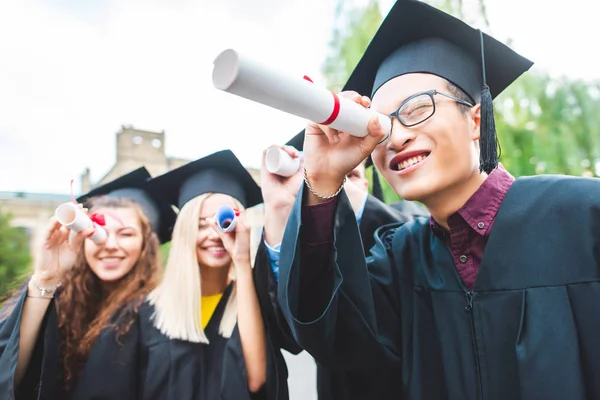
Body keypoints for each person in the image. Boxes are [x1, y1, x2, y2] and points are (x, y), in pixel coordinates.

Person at [276, 1, 600, 399]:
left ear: (476, 120)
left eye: (417, 109)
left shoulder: (584, 217)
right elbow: (330, 333)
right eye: (380, 126)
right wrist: (323, 179)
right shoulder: (399, 259)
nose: (396, 138)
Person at [112, 149, 286, 399]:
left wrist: (242, 261)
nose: (215, 234)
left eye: (224, 222)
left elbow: (256, 380)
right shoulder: (146, 312)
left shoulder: (254, 304)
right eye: (202, 224)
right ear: (185, 230)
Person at [254, 133, 415, 400]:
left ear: (365, 183)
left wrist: (337, 186)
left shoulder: (405, 220)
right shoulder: (311, 246)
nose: (337, 182)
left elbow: (416, 244)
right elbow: (289, 336)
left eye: (349, 174)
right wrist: (280, 208)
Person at [0, 167, 176, 399]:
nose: (110, 244)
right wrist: (45, 278)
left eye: (126, 234)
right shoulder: (56, 299)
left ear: (146, 245)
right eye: (97, 232)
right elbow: (8, 374)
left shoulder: (161, 313)